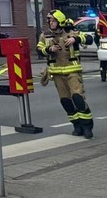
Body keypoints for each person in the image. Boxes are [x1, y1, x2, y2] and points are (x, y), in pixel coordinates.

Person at [37, 9, 94, 138]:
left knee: (77, 98)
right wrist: (49, 49)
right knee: (66, 102)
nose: (51, 23)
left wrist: (76, 39)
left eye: (53, 21)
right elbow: (39, 50)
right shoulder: (45, 36)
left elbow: (89, 39)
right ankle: (76, 125)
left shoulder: (71, 32)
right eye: (49, 20)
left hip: (73, 71)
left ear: (60, 21)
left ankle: (87, 126)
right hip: (56, 74)